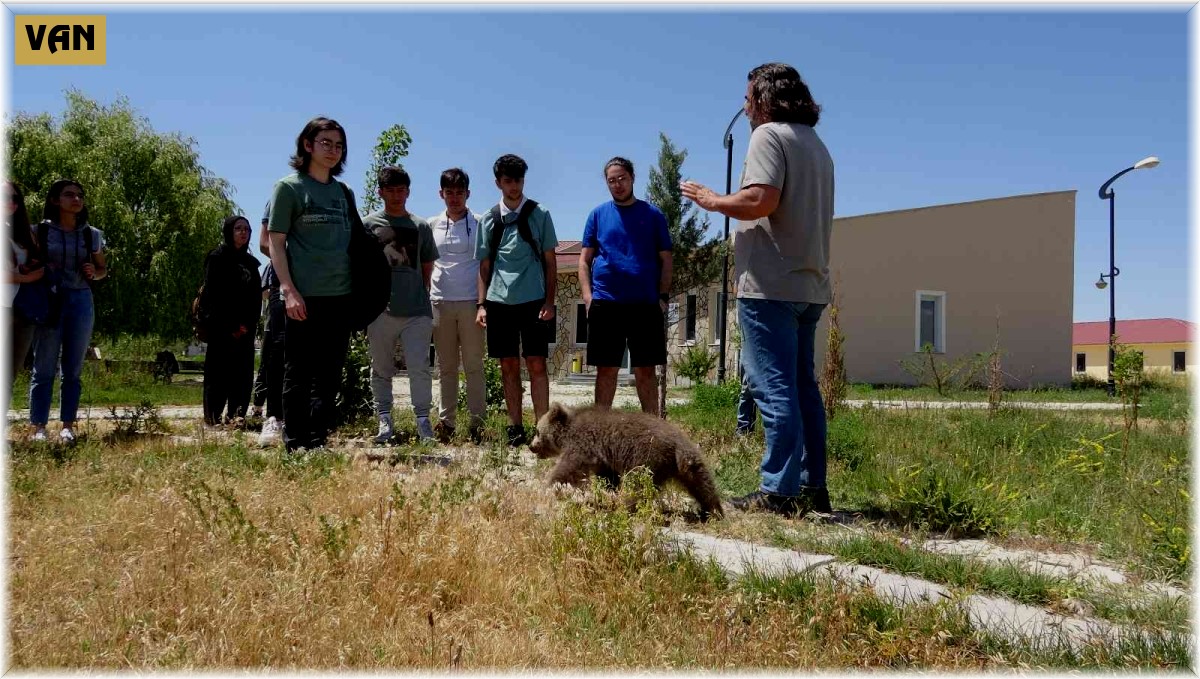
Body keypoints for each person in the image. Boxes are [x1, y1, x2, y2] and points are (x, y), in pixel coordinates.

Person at [681, 62, 834, 516]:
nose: (744, 106)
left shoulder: (768, 135)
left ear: (765, 98)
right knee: (804, 388)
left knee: (774, 388)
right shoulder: (816, 144)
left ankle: (778, 492)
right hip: (809, 284)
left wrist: (711, 201)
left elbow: (760, 200)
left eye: (748, 97)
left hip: (769, 285)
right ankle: (811, 487)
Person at [267, 116, 359, 453]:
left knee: (329, 375)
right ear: (307, 145)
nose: (333, 151)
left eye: (338, 145)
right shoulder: (289, 188)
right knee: (298, 373)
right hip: (302, 297)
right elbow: (276, 243)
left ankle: (318, 441)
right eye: (326, 143)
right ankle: (296, 444)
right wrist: (288, 290)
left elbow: (355, 243)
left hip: (340, 296)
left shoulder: (343, 192)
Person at [475, 154, 558, 447]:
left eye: (518, 180)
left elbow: (551, 262)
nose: (514, 186)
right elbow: (484, 267)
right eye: (508, 180)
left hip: (534, 301)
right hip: (498, 302)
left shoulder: (540, 214)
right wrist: (481, 305)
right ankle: (514, 428)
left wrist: (550, 301)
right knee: (507, 366)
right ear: (498, 182)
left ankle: (543, 429)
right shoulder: (488, 219)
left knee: (537, 364)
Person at [579, 157, 672, 414]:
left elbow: (666, 260)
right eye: (612, 180)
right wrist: (588, 298)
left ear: (632, 178)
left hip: (645, 304)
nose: (617, 184)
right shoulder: (597, 215)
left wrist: (663, 296)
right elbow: (584, 260)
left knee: (645, 371)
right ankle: (600, 432)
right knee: (606, 370)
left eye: (622, 178)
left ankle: (653, 434)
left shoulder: (653, 215)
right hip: (606, 303)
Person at [29, 179, 108, 443]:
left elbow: (102, 269)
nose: (76, 199)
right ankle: (38, 426)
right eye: (69, 194)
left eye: (80, 195)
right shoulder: (37, 231)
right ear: (55, 200)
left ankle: (67, 425)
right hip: (49, 300)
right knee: (44, 366)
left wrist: (94, 273)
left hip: (80, 301)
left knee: (73, 369)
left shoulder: (91, 234)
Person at [363, 167, 438, 444]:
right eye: (390, 190)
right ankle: (384, 420)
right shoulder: (368, 225)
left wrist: (417, 291)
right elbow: (360, 266)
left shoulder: (420, 226)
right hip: (379, 309)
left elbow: (427, 267)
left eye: (401, 190)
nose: (396, 195)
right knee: (381, 367)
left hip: (416, 309)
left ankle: (423, 421)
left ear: (408, 191)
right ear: (381, 192)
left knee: (419, 366)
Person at [427, 168, 486, 442]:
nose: (454, 198)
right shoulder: (430, 225)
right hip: (440, 302)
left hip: (472, 303)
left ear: (468, 194)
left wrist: (484, 303)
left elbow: (486, 263)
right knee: (446, 367)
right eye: (449, 192)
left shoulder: (480, 223)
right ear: (441, 194)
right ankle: (446, 424)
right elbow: (425, 264)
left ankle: (478, 424)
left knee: (474, 365)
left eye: (459, 192)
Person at [198, 215, 261, 426]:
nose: (243, 232)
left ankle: (237, 416)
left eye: (247, 229)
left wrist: (248, 326)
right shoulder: (217, 258)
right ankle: (212, 417)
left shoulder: (251, 263)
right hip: (221, 327)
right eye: (238, 228)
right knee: (218, 373)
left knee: (242, 374)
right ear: (229, 232)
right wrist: (229, 325)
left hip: (245, 329)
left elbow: (255, 299)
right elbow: (213, 295)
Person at [4, 181, 43, 411]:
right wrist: (26, 278)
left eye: (15, 198)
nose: (9, 203)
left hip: (23, 309)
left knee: (9, 374)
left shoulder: (22, 233)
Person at [252, 201, 285, 446]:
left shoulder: (334, 192)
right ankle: (273, 416)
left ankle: (310, 418)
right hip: (282, 285)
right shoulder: (282, 194)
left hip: (319, 284)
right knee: (277, 354)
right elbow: (265, 243)